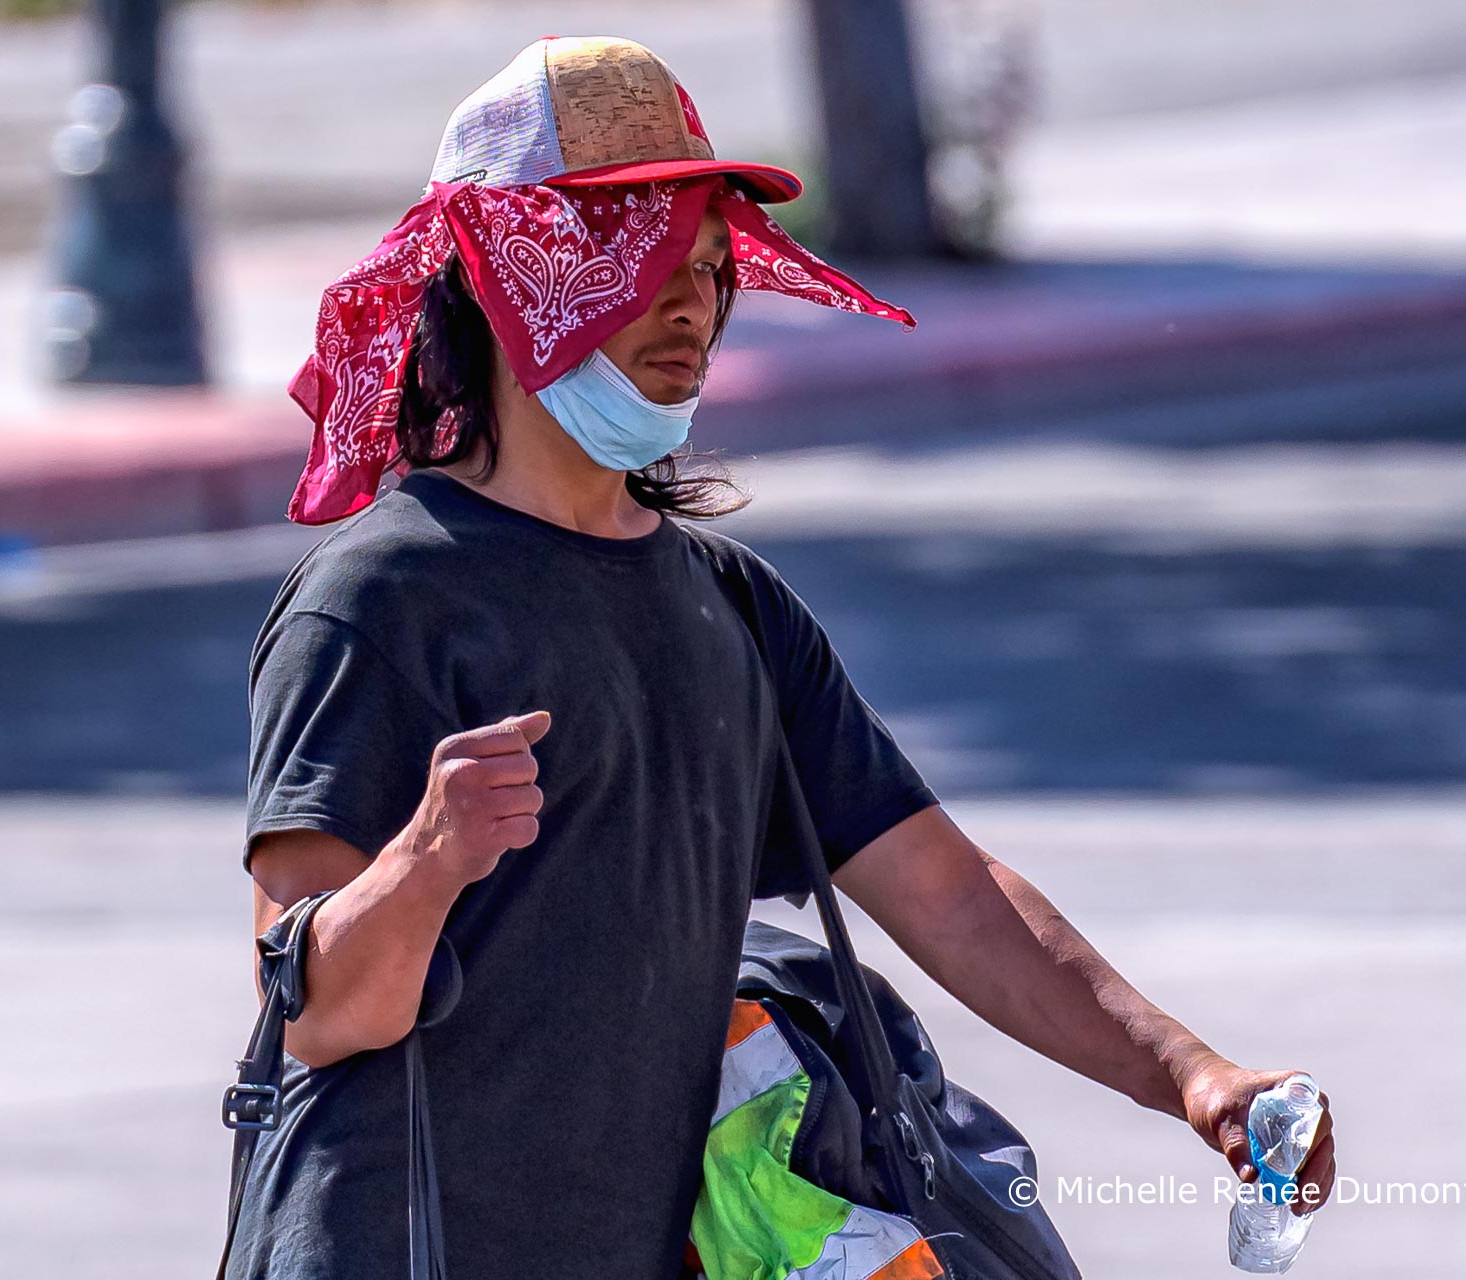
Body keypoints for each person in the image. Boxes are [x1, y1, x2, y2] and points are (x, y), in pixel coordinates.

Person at [228, 35, 1336, 1280]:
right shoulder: (378, 598)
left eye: (711, 266)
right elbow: (313, 1013)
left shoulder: (730, 606)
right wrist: (428, 860)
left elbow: (951, 895)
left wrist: (1188, 1072)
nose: (692, 304)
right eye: (641, 258)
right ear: (506, 276)